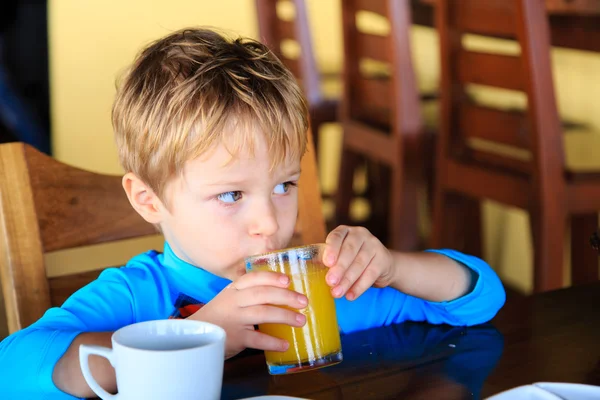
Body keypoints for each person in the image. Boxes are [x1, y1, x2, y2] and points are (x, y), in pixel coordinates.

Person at [0, 27, 505, 399]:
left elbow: (479, 299)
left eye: (285, 184)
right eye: (230, 195)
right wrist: (198, 337)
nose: (271, 222)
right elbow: (12, 371)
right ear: (148, 200)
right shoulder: (137, 297)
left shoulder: (315, 292)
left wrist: (393, 267)